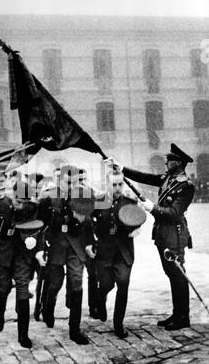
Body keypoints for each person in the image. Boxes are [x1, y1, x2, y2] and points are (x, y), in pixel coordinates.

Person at [111, 143, 195, 331]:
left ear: (179, 163)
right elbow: (145, 177)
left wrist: (152, 208)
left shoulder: (186, 186)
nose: (166, 162)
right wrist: (122, 168)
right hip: (163, 234)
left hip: (175, 234)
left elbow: (174, 212)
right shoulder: (168, 178)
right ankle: (177, 313)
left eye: (170, 160)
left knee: (178, 274)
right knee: (171, 274)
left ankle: (184, 317)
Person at [0, 181, 43, 348]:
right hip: (2, 252)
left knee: (23, 287)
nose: (21, 206)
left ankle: (23, 334)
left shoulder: (32, 206)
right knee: (3, 288)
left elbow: (38, 227)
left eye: (24, 202)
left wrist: (33, 241)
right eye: (18, 201)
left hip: (22, 253)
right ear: (12, 195)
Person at [36, 165, 95, 345]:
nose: (71, 186)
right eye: (67, 182)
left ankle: (74, 329)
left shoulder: (83, 194)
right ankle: (48, 307)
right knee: (55, 283)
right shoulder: (47, 198)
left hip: (76, 246)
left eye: (74, 182)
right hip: (55, 245)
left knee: (76, 284)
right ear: (58, 180)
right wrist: (40, 248)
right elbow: (39, 225)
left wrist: (90, 243)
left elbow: (88, 221)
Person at [85, 170, 144, 338]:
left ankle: (118, 323)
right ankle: (100, 298)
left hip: (124, 253)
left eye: (120, 184)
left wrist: (137, 229)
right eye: (114, 184)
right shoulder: (99, 202)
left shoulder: (130, 202)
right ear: (107, 184)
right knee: (106, 285)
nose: (118, 188)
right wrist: (89, 243)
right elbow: (87, 223)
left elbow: (138, 219)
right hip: (104, 252)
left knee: (123, 285)